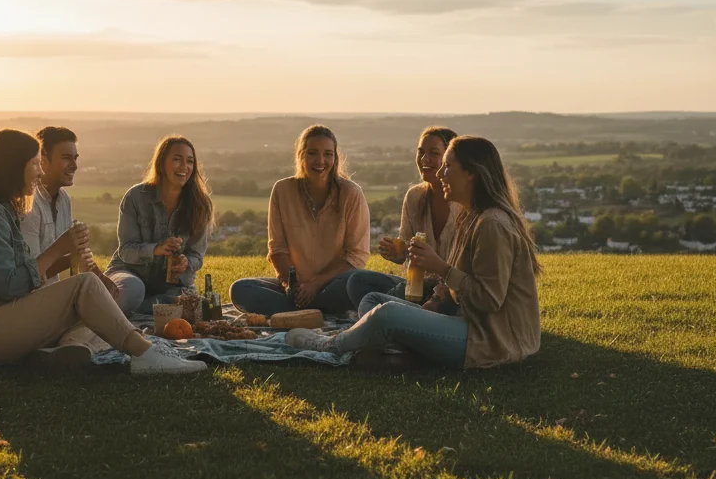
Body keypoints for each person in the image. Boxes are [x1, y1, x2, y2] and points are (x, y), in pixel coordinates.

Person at [0, 128, 207, 375]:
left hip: (0, 320)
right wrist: (60, 247)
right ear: (14, 166)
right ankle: (145, 355)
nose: (39, 173)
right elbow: (10, 287)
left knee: (97, 306)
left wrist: (71, 258)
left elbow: (22, 274)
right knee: (84, 288)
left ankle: (49, 354)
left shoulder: (1, 210)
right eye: (34, 164)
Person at [287, 136, 541, 370]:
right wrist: (437, 299)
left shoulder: (492, 224)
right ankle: (402, 351)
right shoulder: (472, 216)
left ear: (472, 173)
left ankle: (329, 345)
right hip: (465, 319)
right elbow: (461, 280)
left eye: (448, 166)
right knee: (374, 301)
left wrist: (440, 267)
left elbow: (488, 300)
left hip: (491, 339)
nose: (440, 172)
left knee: (388, 314)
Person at [229, 124, 370, 317]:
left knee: (358, 284)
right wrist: (293, 284)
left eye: (328, 154)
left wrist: (315, 284)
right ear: (300, 155)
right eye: (312, 153)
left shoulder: (351, 194)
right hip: (295, 286)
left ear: (335, 158)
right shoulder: (282, 190)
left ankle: (299, 312)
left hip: (334, 285)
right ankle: (316, 312)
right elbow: (277, 249)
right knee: (241, 289)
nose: (320, 161)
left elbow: (356, 256)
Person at [20, 125, 120, 355]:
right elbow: (29, 275)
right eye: (66, 158)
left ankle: (72, 344)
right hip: (32, 300)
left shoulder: (64, 200)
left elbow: (65, 259)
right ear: (42, 159)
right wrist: (64, 250)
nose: (74, 165)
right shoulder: (29, 205)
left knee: (112, 302)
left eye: (75, 158)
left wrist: (97, 275)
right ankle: (72, 344)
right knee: (101, 316)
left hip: (54, 294)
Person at [346, 125, 460, 309]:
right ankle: (403, 313)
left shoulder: (463, 202)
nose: (425, 159)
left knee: (373, 302)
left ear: (450, 159)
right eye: (421, 152)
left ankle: (394, 314)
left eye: (434, 153)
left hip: (452, 292)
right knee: (357, 281)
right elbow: (406, 249)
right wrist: (397, 253)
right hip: (416, 287)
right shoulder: (415, 196)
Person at [105, 135, 214, 317]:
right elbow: (126, 250)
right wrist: (156, 249)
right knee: (133, 290)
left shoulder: (200, 204)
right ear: (162, 163)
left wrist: (186, 262)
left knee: (193, 305)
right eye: (177, 159)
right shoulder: (136, 197)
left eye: (189, 161)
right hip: (130, 273)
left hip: (172, 285)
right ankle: (144, 306)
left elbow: (197, 255)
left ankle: (135, 309)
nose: (184, 167)